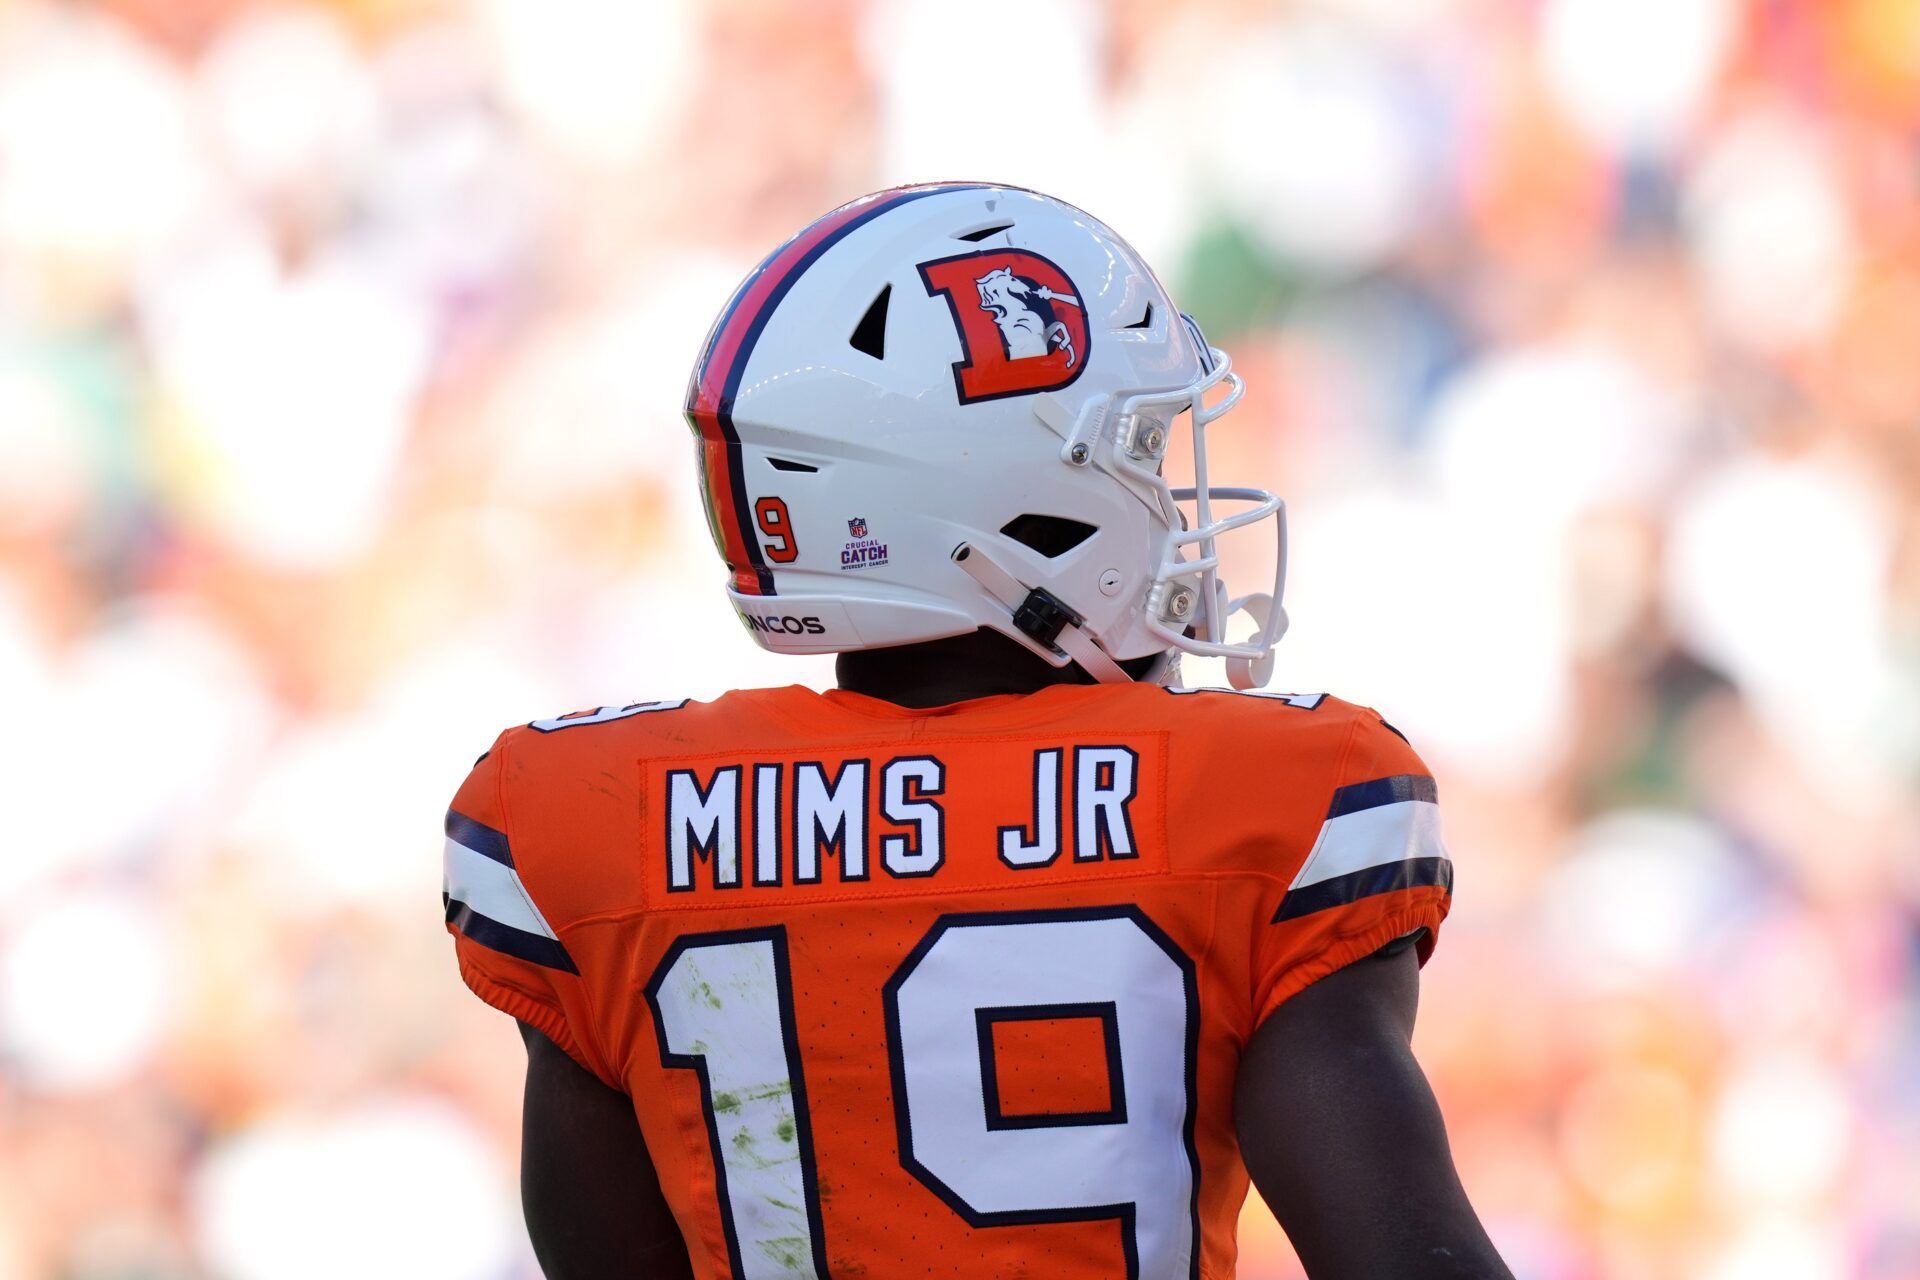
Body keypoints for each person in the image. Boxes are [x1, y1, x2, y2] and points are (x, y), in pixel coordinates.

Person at [442, 183, 1513, 1279]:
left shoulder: (594, 819)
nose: (1169, 500)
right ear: (1010, 503)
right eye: (1135, 451)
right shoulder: (1270, 797)